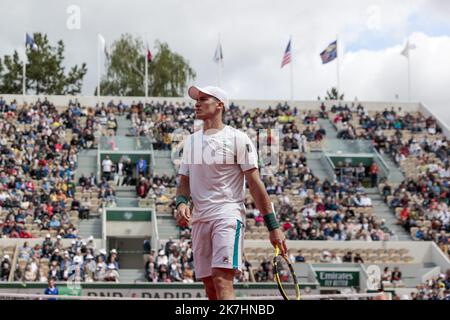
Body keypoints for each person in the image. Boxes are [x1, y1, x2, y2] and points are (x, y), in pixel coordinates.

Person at [176, 85, 287, 300]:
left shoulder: (238, 138)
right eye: (196, 99)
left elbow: (255, 184)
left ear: (220, 105)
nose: (197, 103)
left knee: (221, 278)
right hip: (199, 219)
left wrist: (273, 227)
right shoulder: (190, 141)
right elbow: (184, 182)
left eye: (203, 99)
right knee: (209, 286)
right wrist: (181, 202)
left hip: (227, 215)